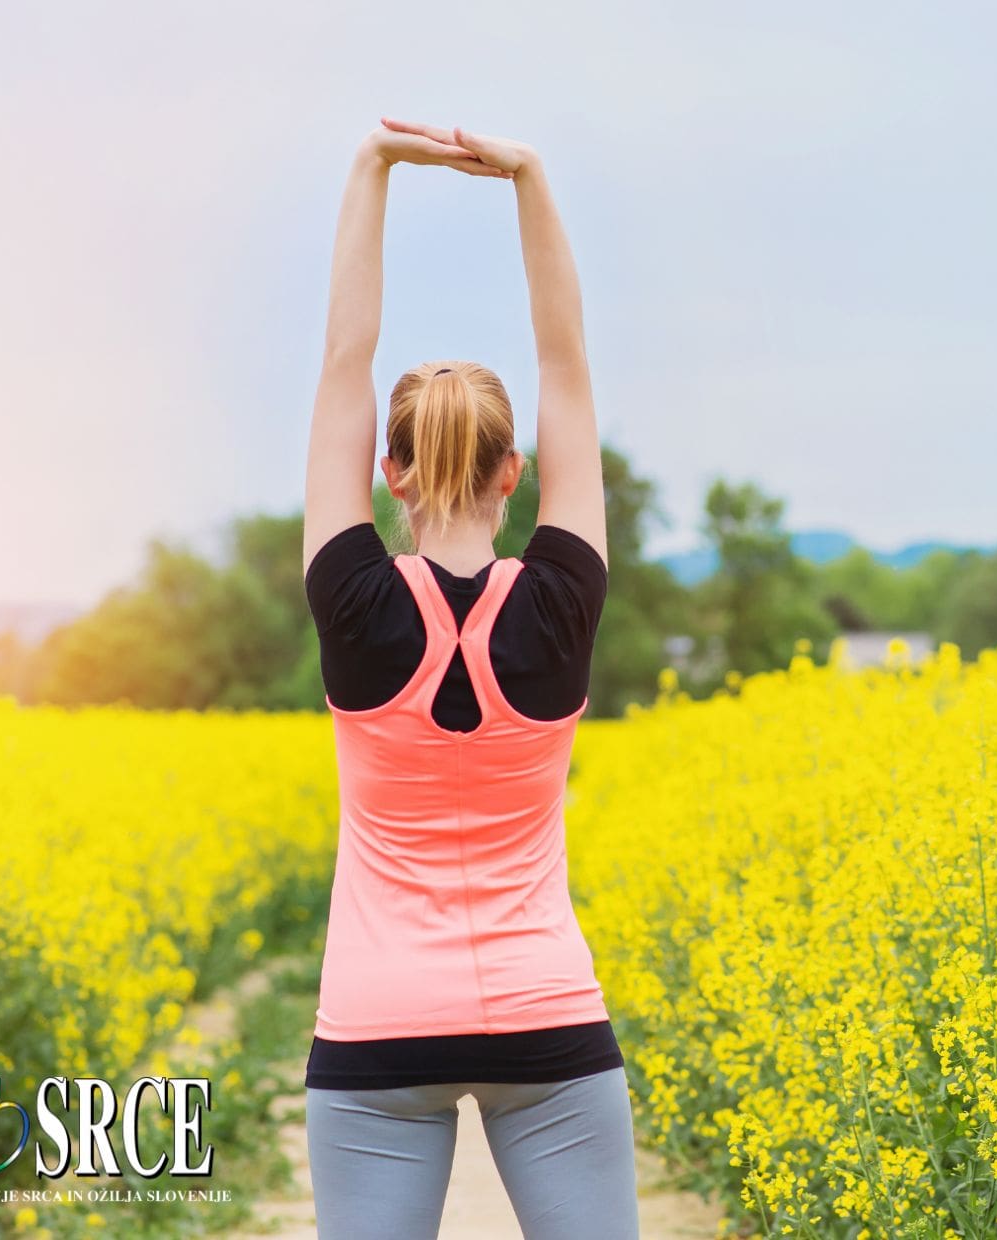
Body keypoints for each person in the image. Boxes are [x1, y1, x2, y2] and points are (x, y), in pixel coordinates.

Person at [297, 117, 638, 1240]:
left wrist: (370, 168)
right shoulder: (559, 599)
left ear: (383, 472)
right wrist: (531, 180)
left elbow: (346, 359)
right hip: (545, 1015)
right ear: (515, 473)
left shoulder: (350, 599)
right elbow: (567, 366)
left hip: (375, 1024)